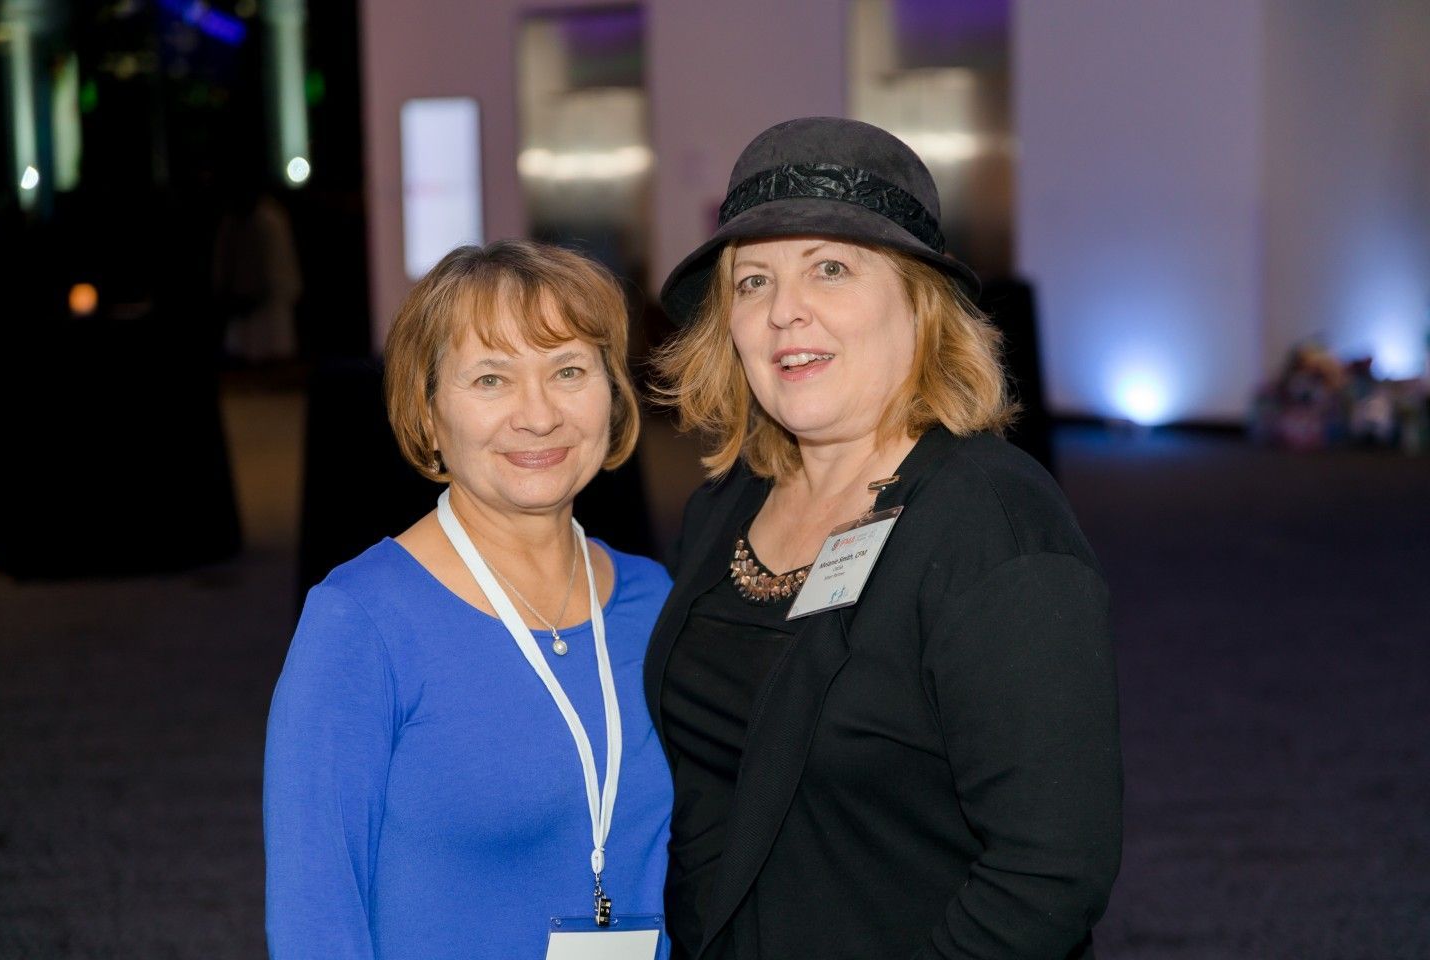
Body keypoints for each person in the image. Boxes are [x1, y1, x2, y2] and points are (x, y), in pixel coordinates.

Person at [648, 117, 1122, 959]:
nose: (784, 311)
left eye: (830, 269)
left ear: (918, 301)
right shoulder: (724, 506)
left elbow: (1049, 872)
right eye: (753, 282)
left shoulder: (992, 527)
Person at [264, 240, 673, 959]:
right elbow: (314, 921)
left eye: (569, 371)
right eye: (491, 380)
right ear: (426, 415)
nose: (538, 414)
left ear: (613, 396)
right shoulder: (361, 622)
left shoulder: (654, 597)